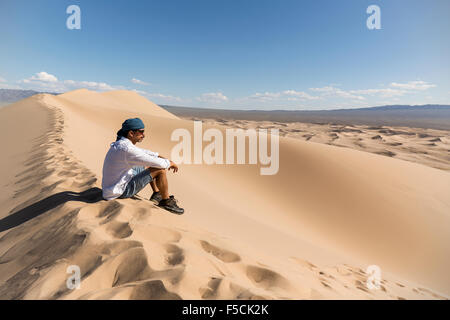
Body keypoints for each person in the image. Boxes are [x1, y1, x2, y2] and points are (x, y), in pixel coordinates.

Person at [101, 118, 184, 214]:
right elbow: (159, 164)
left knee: (145, 165)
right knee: (159, 169)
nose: (143, 135)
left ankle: (157, 193)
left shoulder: (122, 144)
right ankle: (166, 202)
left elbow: (143, 152)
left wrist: (158, 155)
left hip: (111, 188)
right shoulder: (127, 149)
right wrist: (170, 163)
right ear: (131, 133)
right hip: (119, 192)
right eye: (141, 132)